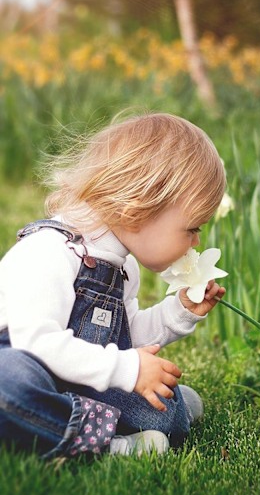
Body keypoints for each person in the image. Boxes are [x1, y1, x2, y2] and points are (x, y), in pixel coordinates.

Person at [0, 112, 227, 459]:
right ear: (139, 208)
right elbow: (37, 343)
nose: (195, 242)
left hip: (75, 374)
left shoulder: (123, 268)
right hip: (24, 365)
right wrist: (127, 369)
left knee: (162, 411)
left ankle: (172, 410)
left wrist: (177, 312)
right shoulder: (50, 251)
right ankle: (108, 445)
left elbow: (124, 336)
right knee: (9, 382)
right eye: (192, 228)